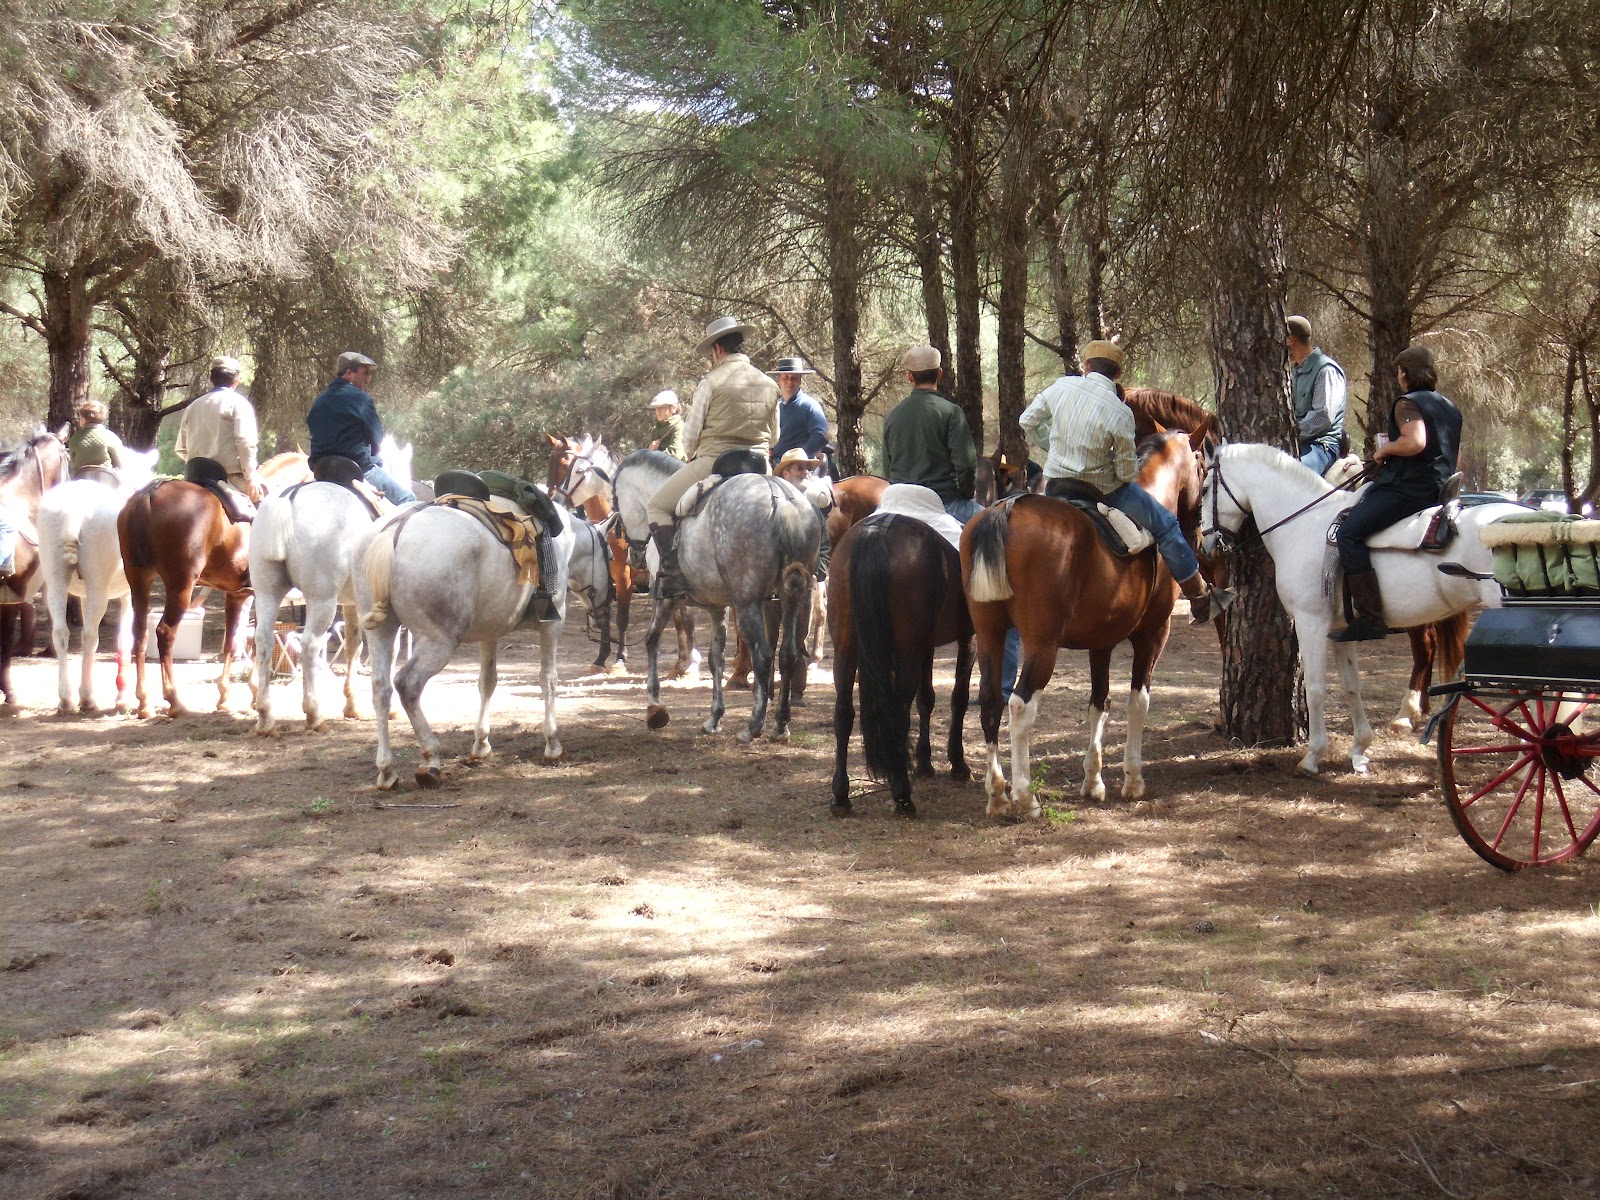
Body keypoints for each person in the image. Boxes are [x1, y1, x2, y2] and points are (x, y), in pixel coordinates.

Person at [1019, 340, 1230, 625]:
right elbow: (1127, 472)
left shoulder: (1061, 387)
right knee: (1167, 525)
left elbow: (1027, 420)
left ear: (1087, 366)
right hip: (1103, 491)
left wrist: (1054, 447)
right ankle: (1200, 598)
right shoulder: (1120, 412)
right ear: (1118, 374)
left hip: (1056, 485)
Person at [1332, 343, 1462, 642]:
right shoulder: (1449, 407)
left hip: (1408, 490)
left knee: (1349, 533)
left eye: (1399, 372)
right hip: (1441, 489)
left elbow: (1415, 442)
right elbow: (1456, 455)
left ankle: (1371, 619)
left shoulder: (1407, 403)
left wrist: (1385, 449)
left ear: (1405, 373)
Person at [645, 316, 780, 597]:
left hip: (715, 462)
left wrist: (691, 455)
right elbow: (775, 437)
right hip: (759, 466)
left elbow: (691, 435)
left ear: (718, 349)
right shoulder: (769, 383)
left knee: (656, 506)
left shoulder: (711, 382)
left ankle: (674, 575)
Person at [881, 346, 979, 521]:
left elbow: (887, 467)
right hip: (944, 502)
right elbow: (966, 466)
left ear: (910, 377)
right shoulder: (952, 412)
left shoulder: (891, 415)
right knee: (996, 524)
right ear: (939, 374)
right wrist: (967, 493)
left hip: (899, 503)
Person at [306, 351, 416, 504]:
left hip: (323, 472)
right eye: (365, 373)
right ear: (349, 374)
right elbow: (377, 437)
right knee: (408, 498)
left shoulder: (319, 401)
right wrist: (374, 457)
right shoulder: (361, 399)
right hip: (357, 470)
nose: (368, 379)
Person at [175, 355, 262, 507]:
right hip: (229, 479)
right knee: (267, 507)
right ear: (236, 382)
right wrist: (250, 476)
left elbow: (181, 449)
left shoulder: (193, 407)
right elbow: (245, 442)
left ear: (211, 379)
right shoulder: (239, 404)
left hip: (194, 478)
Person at [1288, 315, 1347, 476]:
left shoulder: (1326, 370)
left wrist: (1291, 434)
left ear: (1291, 340)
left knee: (1293, 474)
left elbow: (1323, 416)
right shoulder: (1294, 371)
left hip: (1322, 446)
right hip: (1299, 443)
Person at [774, 447, 832, 581]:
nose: (806, 472)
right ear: (786, 474)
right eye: (800, 468)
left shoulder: (814, 508)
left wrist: (817, 574)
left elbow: (824, 547)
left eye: (809, 468)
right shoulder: (775, 507)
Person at [769, 357, 829, 472]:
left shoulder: (809, 405)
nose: (790, 381)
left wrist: (798, 457)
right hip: (776, 467)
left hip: (800, 470)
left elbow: (821, 436)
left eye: (794, 378)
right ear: (779, 379)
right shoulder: (776, 406)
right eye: (785, 377)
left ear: (800, 380)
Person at [67, 399, 125, 477]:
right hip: (106, 479)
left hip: (81, 478)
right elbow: (120, 465)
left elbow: (72, 466)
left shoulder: (75, 439)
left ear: (84, 419)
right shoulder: (111, 437)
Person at [647, 390, 685, 459]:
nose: (658, 411)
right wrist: (649, 450)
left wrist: (652, 454)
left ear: (673, 408)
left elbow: (676, 453)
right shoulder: (656, 429)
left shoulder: (678, 426)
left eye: (662, 407)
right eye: (656, 408)